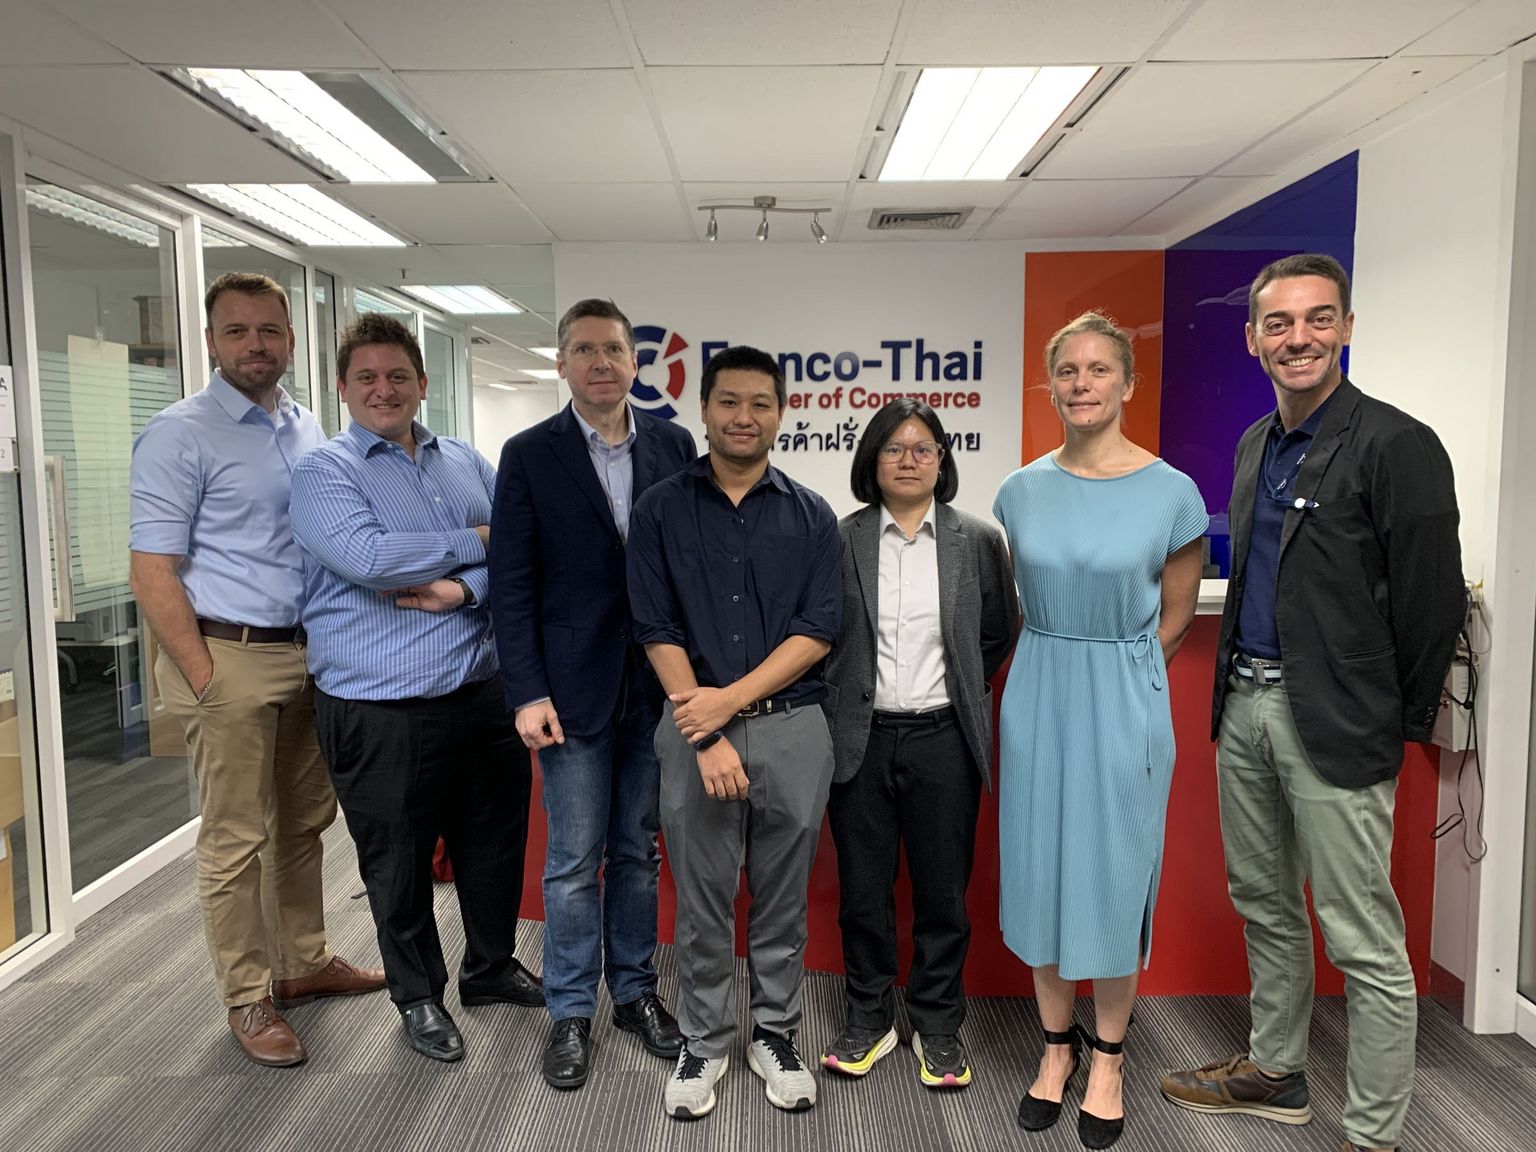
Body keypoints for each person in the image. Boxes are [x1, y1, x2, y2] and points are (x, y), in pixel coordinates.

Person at [1160, 254, 1464, 1152]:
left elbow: (1432, 604)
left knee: (1361, 935)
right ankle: (1276, 1071)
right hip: (1245, 705)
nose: (1300, 338)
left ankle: (1372, 1134)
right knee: (1263, 901)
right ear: (1253, 338)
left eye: (1318, 318)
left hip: (1335, 722)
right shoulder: (1256, 442)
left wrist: (1394, 723)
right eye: (1280, 323)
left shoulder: (1397, 444)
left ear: (1347, 327)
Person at [129, 272, 385, 1068]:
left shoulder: (306, 425)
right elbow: (151, 569)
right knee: (235, 839)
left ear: (291, 340)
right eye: (237, 331)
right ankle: (246, 996)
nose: (255, 344)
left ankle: (302, 962)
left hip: (308, 654)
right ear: (211, 341)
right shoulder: (180, 433)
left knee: (303, 822)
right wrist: (203, 674)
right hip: (227, 654)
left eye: (269, 330)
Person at [290, 313, 544, 1063]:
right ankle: (419, 995)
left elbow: (523, 553)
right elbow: (371, 559)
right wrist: (477, 541)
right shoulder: (324, 472)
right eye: (366, 377)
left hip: (482, 692)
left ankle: (490, 968)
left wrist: (463, 589)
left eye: (398, 375)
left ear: (422, 384)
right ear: (342, 388)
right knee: (396, 861)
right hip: (379, 707)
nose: (384, 389)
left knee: (493, 846)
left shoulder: (463, 460)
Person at [994, 311, 1206, 1149]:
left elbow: (1176, 620)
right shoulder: (1018, 491)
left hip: (1123, 699)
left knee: (1116, 878)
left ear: (1128, 383)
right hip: (1038, 695)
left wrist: (1118, 677)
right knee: (1041, 874)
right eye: (1068, 371)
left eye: (1099, 369)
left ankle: (1109, 1059)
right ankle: (1056, 1051)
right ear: (1052, 386)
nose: (1082, 384)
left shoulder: (1173, 492)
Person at [627, 346, 841, 1120]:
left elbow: (818, 630)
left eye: (759, 403)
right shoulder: (659, 508)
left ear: (781, 414)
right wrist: (706, 729)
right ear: (705, 410)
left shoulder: (812, 515)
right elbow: (654, 626)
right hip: (691, 730)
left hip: (792, 730)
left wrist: (732, 705)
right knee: (703, 899)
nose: (743, 417)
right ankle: (706, 1039)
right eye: (728, 402)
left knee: (782, 898)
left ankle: (775, 1034)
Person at [489, 299, 695, 1089]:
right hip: (568, 691)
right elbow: (512, 585)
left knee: (638, 853)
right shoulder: (528, 454)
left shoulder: (674, 445)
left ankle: (635, 994)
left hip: (655, 687)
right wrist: (526, 692)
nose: (601, 362)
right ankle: (571, 1009)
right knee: (573, 861)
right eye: (584, 350)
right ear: (562, 364)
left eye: (613, 349)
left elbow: (686, 568)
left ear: (635, 362)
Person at [820, 398, 1020, 1089]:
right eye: (894, 448)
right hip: (860, 740)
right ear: (871, 461)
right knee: (863, 893)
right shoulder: (840, 539)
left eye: (923, 449)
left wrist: (955, 688)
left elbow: (996, 633)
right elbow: (822, 639)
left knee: (943, 894)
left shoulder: (978, 540)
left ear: (941, 461)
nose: (909, 460)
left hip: (944, 739)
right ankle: (869, 1018)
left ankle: (937, 1023)